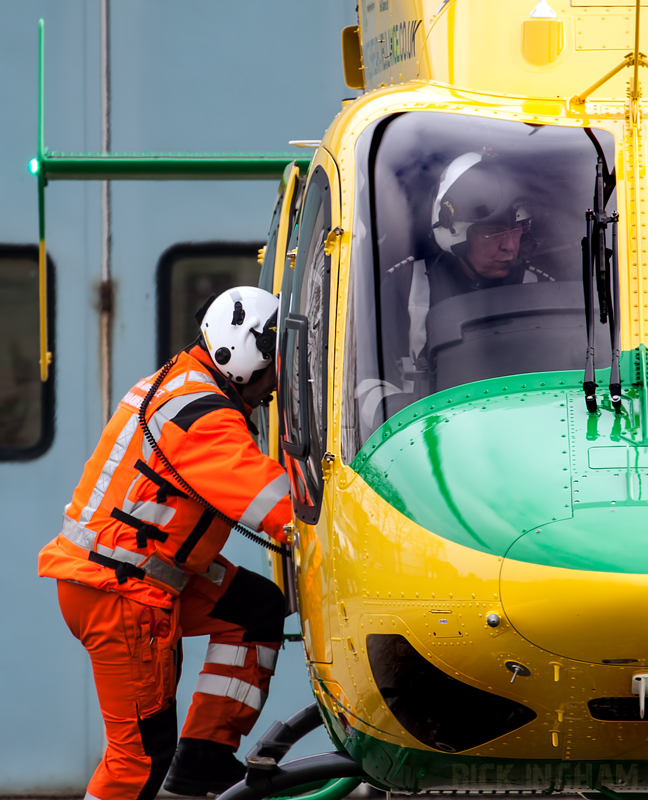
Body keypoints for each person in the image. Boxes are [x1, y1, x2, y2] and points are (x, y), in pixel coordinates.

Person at [38, 287, 292, 800]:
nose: (275, 388)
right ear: (244, 358)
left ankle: (204, 757)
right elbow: (282, 508)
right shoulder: (206, 418)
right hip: (121, 593)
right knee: (137, 762)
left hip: (136, 574)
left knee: (255, 610)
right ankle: (188, 760)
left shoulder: (182, 379)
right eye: (274, 372)